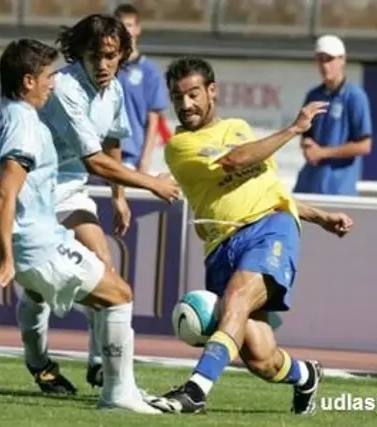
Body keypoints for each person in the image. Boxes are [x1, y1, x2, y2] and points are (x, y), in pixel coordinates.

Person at [0, 14, 181, 397]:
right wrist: (151, 183)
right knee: (45, 290)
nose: (104, 63)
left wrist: (118, 195)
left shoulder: (114, 92)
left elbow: (112, 141)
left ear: (123, 54)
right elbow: (94, 158)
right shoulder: (62, 88)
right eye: (96, 55)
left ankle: (100, 365)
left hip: (72, 189)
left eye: (113, 55)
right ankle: (41, 361)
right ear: (79, 53)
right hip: (41, 188)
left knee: (103, 264)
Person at [146, 57, 354, 415]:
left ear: (212, 91)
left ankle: (196, 390)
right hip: (221, 247)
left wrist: (320, 217)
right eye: (178, 97)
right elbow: (236, 160)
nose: (186, 105)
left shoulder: (239, 126)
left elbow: (271, 190)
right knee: (262, 359)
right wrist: (292, 129)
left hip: (270, 227)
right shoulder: (179, 147)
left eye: (193, 94)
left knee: (238, 298)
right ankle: (306, 375)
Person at [293, 34, 372, 196]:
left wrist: (323, 152)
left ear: (342, 60)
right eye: (320, 60)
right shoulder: (314, 95)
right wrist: (307, 144)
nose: (324, 65)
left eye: (329, 59)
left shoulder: (354, 96)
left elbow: (364, 145)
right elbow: (306, 134)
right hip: (309, 185)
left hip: (338, 189)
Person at [114, 3, 170, 172]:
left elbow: (153, 119)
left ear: (138, 29)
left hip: (129, 154)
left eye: (129, 26)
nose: (125, 31)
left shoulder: (149, 71)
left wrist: (145, 159)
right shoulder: (104, 67)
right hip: (101, 152)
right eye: (120, 26)